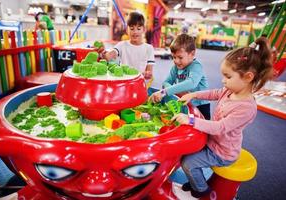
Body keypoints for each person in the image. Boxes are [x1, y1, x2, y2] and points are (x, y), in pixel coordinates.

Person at [171, 37, 273, 198]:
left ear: (248, 77)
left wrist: (191, 120)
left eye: (228, 76)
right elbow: (214, 93)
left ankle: (201, 190)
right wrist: (194, 94)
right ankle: (194, 182)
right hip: (213, 142)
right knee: (185, 150)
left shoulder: (246, 108)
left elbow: (220, 127)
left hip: (223, 152)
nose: (223, 81)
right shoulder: (230, 90)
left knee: (188, 163)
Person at [150, 33, 210, 120]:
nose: (176, 61)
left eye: (180, 57)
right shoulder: (175, 68)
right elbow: (166, 83)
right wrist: (176, 91)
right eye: (174, 57)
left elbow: (191, 83)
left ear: (192, 54)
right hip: (185, 103)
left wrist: (165, 92)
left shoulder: (196, 66)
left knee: (203, 129)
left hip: (200, 105)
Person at [100, 11, 155, 80]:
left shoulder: (149, 48)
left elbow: (149, 71)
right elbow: (110, 55)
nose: (135, 32)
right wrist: (104, 54)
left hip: (140, 82)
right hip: (124, 82)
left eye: (138, 28)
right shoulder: (121, 45)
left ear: (143, 29)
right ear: (127, 30)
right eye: (132, 28)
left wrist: (148, 74)